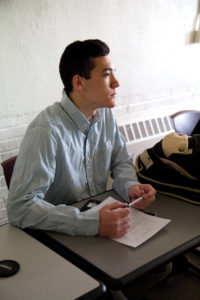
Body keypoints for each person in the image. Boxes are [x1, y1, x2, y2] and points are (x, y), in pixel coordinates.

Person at [7, 39, 171, 299]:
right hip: (59, 234)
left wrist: (130, 187)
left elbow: (120, 160)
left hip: (95, 221)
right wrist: (90, 223)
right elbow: (20, 207)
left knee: (160, 264)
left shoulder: (103, 114)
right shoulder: (46, 131)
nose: (116, 82)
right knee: (112, 291)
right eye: (107, 75)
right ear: (79, 82)